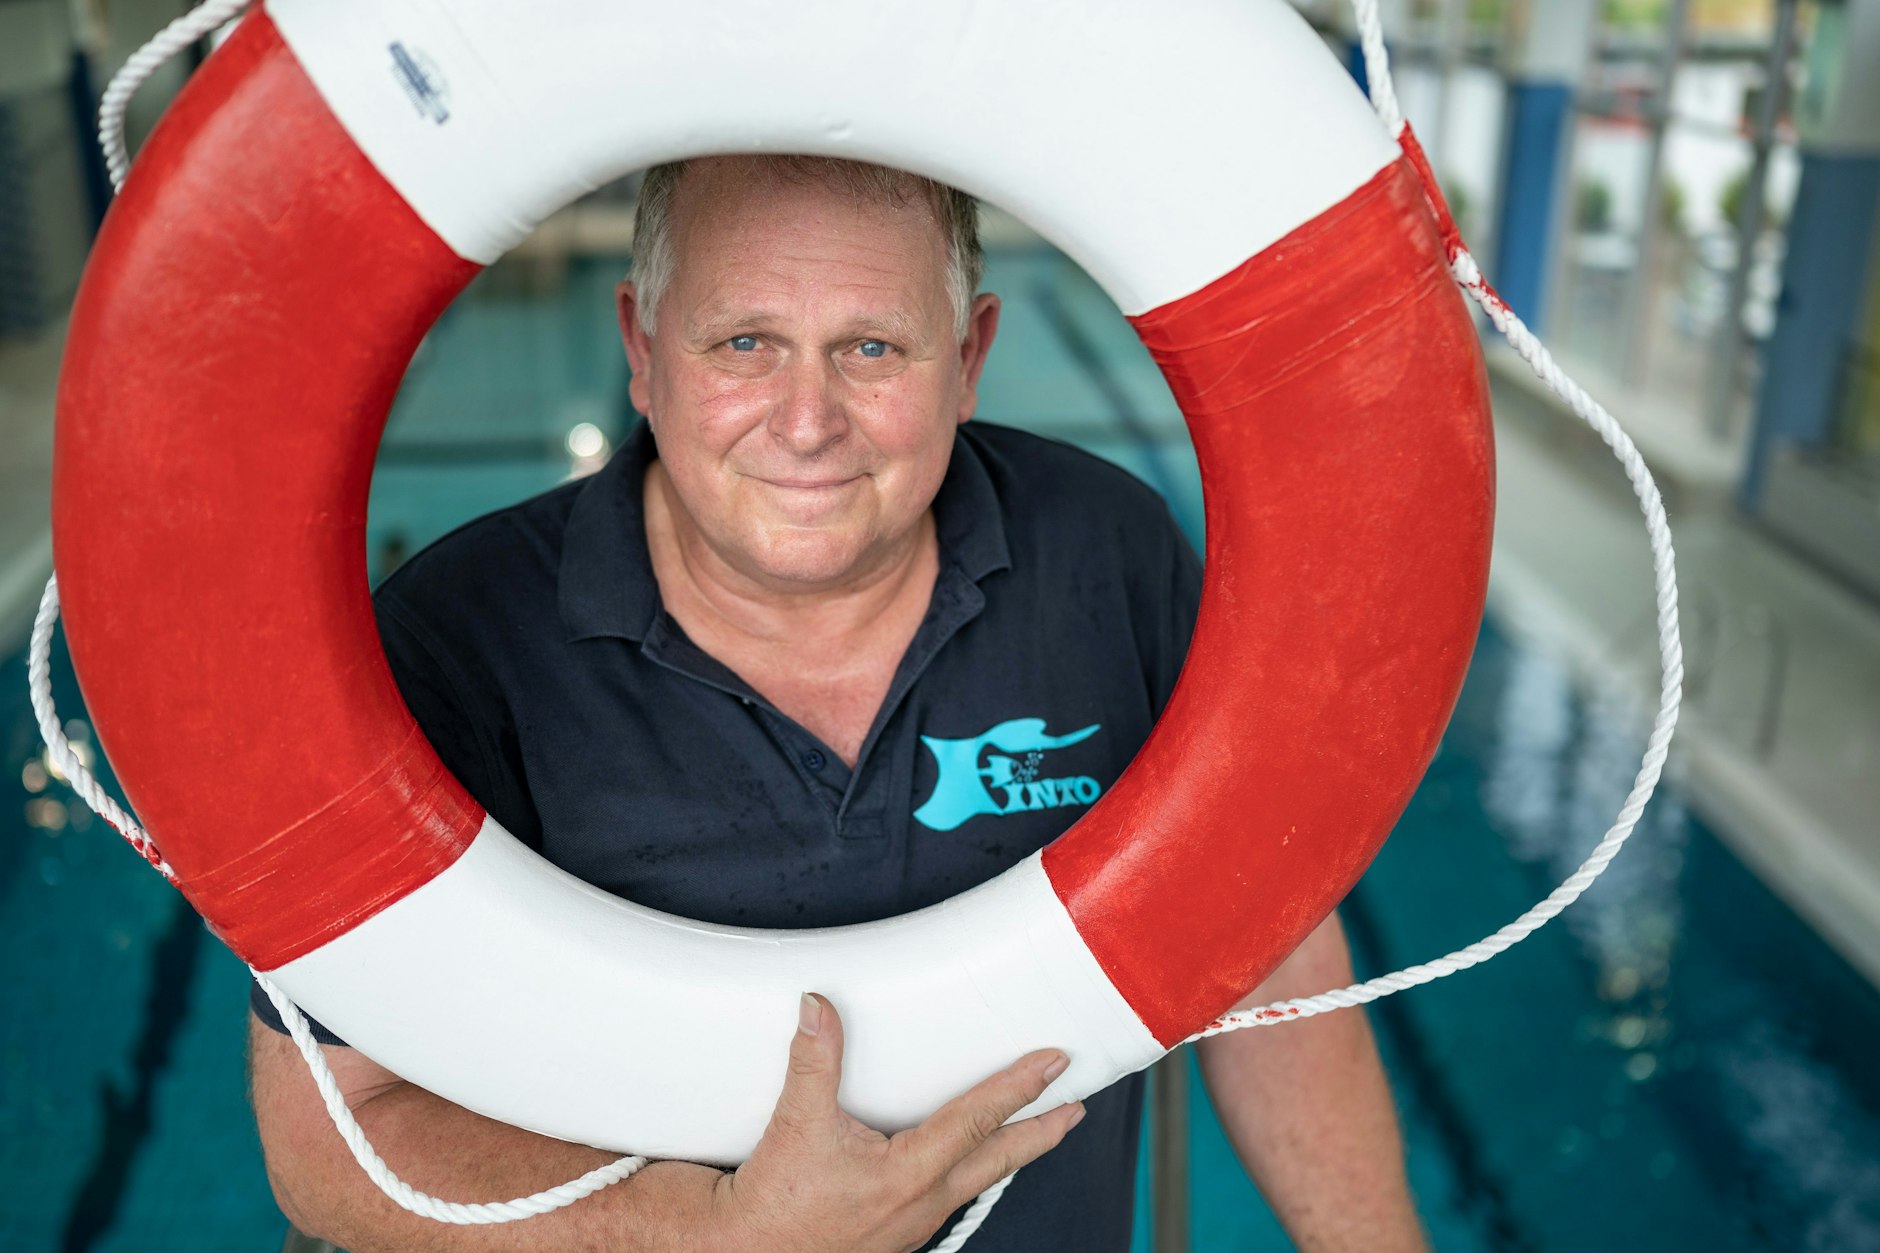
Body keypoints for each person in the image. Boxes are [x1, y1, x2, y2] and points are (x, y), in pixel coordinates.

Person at [248, 154, 1429, 1252]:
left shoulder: (1105, 553)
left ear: (967, 356)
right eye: (744, 342)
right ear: (641, 347)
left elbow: (1276, 963)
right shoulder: (453, 642)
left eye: (871, 347)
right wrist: (712, 1232)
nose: (806, 421)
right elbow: (328, 1131)